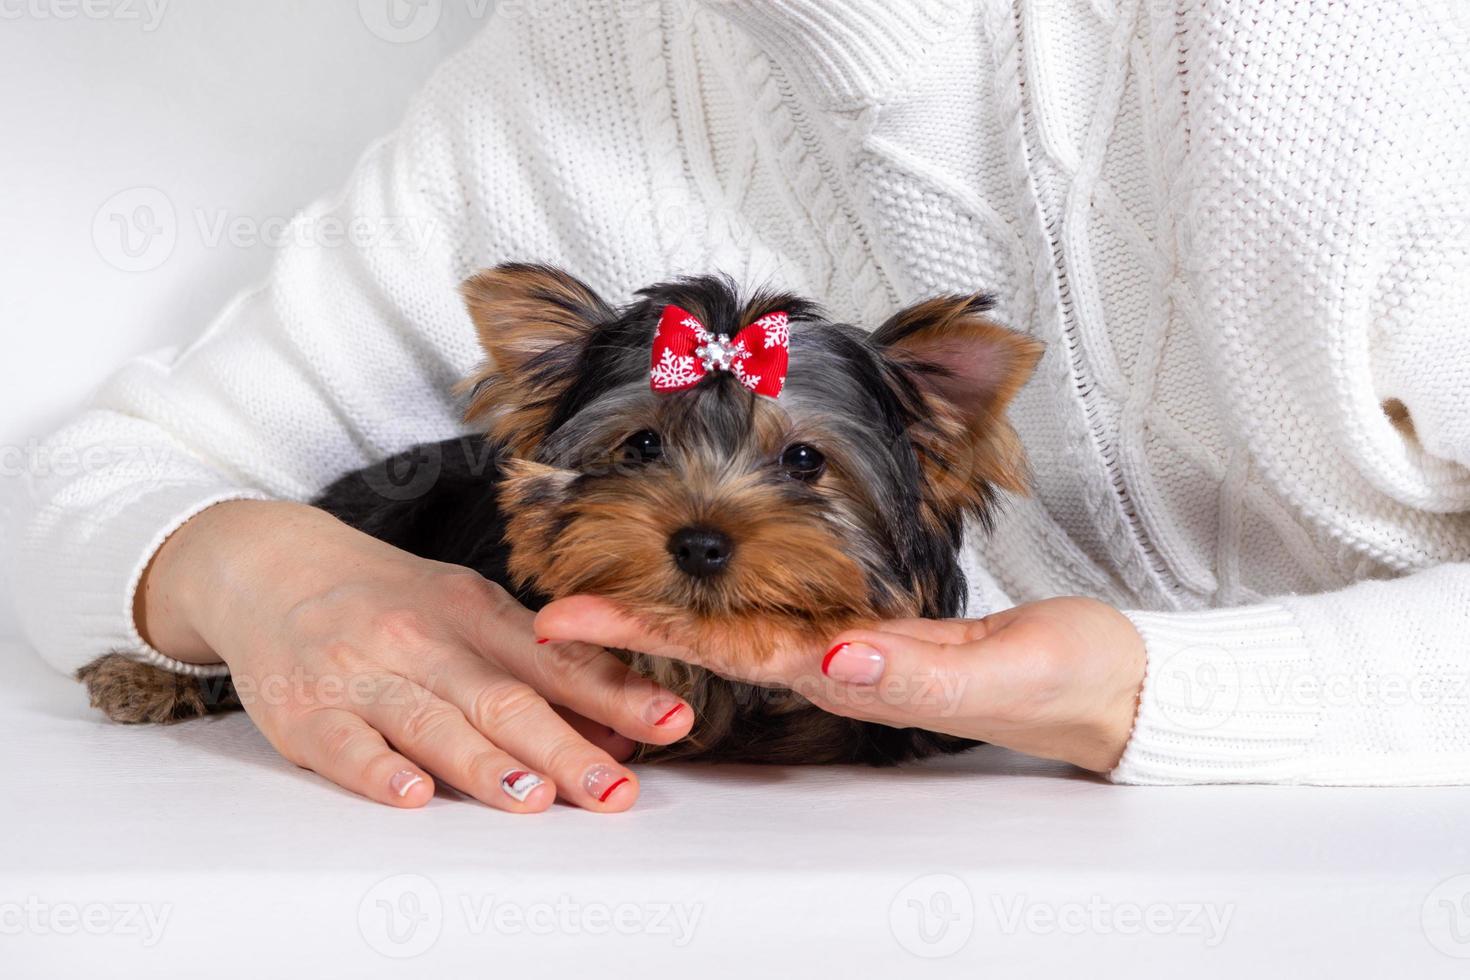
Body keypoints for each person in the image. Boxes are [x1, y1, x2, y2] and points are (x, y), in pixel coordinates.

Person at [11, 1, 1470, 811]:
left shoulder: (1336, 54)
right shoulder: (548, 73)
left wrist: (1135, 697)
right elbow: (106, 481)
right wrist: (256, 572)